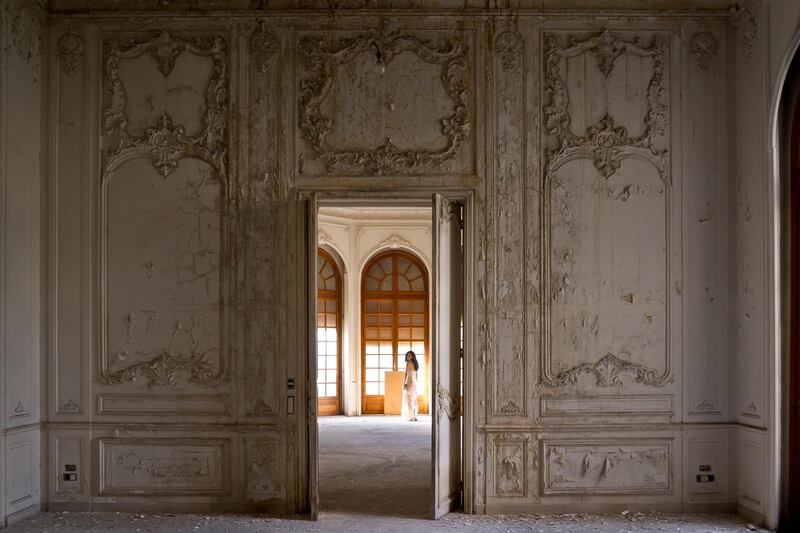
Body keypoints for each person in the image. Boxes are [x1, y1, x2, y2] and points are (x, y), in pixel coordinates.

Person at [402, 350, 419, 422]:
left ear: (412, 356)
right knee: (413, 399)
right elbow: (415, 375)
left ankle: (411, 416)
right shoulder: (415, 363)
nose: (407, 356)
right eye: (407, 355)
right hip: (414, 382)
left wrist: (404, 383)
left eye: (409, 355)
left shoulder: (409, 363)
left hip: (410, 382)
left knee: (409, 399)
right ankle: (414, 416)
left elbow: (406, 374)